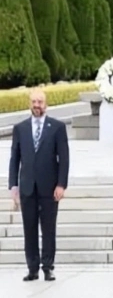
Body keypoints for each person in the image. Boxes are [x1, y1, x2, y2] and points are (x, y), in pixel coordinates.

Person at [8, 89, 69, 282]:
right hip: (27, 187)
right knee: (30, 227)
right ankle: (32, 268)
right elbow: (14, 158)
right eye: (34, 101)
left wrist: (61, 184)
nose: (37, 105)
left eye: (40, 102)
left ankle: (48, 266)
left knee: (48, 228)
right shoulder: (20, 128)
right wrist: (13, 185)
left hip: (49, 187)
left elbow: (64, 158)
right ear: (29, 103)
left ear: (46, 104)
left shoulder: (57, 127)